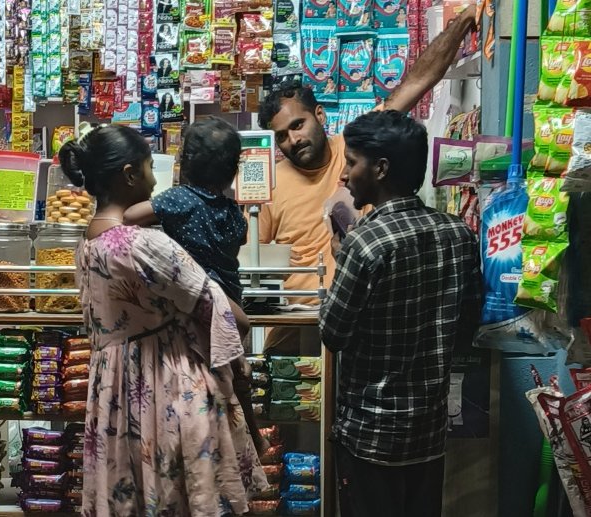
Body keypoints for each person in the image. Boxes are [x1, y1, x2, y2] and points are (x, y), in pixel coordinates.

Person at [59, 125, 268, 516]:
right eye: (149, 166)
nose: (155, 178)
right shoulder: (147, 245)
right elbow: (224, 315)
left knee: (133, 496)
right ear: (129, 175)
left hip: (115, 395)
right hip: (167, 389)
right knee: (179, 497)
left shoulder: (87, 246)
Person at [256, 5, 477, 351]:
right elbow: (252, 263)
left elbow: (417, 82)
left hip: (365, 331)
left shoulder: (357, 147)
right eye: (281, 135)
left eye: (297, 125)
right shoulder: (269, 184)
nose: (292, 140)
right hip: (295, 333)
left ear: (319, 114)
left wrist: (464, 20)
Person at [320, 110, 483, 517]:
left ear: (380, 168)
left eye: (351, 162)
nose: (343, 175)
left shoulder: (365, 243)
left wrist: (340, 269)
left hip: (370, 434)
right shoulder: (458, 233)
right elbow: (466, 330)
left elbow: (333, 334)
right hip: (428, 432)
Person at [123, 117, 264, 451]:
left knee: (195, 376)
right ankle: (252, 436)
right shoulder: (233, 210)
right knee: (233, 372)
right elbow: (242, 238)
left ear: (183, 163)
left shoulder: (178, 200)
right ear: (233, 172)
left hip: (194, 301)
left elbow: (130, 216)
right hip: (231, 298)